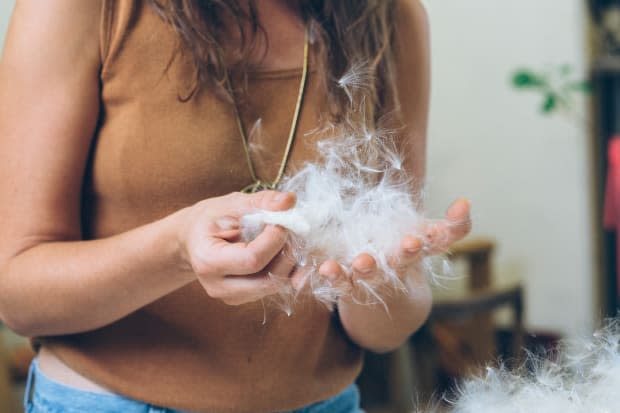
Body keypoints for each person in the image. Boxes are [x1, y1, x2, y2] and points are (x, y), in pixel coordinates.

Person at [0, 1, 471, 412]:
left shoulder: (393, 18)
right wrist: (175, 250)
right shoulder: (81, 8)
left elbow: (387, 331)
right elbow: (15, 292)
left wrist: (382, 277)